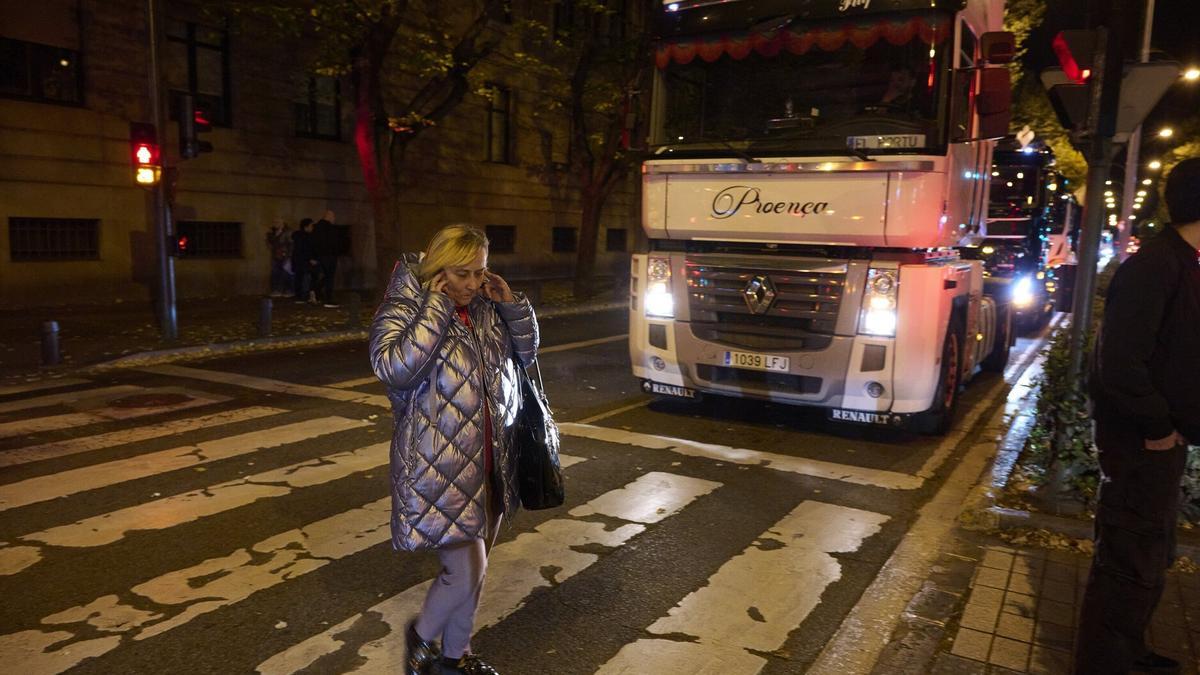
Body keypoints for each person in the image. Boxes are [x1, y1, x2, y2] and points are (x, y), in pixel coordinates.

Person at [369, 224, 538, 675]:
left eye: (480, 273)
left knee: (476, 572)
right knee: (464, 571)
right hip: (437, 465)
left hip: (489, 460)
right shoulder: (407, 304)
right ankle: (422, 639)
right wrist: (436, 308)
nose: (472, 284)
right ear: (438, 269)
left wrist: (511, 308)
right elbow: (392, 368)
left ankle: (456, 656)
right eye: (461, 274)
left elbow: (526, 357)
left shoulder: (484, 305)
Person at [1074, 158, 1200, 675]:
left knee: (1148, 553)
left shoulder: (1182, 260)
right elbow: (1119, 363)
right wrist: (1159, 428)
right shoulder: (1158, 264)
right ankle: (1107, 663)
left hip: (1161, 440)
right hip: (1142, 443)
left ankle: (1129, 651)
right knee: (1129, 559)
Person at [312, 209, 340, 308]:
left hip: (322, 256)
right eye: (332, 216)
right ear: (329, 217)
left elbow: (314, 243)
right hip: (329, 255)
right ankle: (328, 298)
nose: (334, 219)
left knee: (326, 276)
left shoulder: (317, 228)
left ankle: (316, 291)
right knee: (329, 277)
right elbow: (333, 242)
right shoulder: (330, 229)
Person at [291, 218, 320, 304]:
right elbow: (303, 250)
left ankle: (304, 296)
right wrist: (309, 259)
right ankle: (304, 296)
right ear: (306, 227)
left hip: (302, 262)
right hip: (304, 262)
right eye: (311, 226)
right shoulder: (303, 237)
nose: (312, 228)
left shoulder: (301, 236)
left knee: (302, 278)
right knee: (305, 278)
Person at [266, 217, 293, 297]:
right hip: (276, 255)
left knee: (286, 273)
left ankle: (288, 290)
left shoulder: (288, 232)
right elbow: (270, 243)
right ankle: (276, 290)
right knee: (275, 273)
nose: (275, 224)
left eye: (277, 222)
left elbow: (291, 244)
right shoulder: (272, 233)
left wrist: (289, 256)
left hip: (285, 256)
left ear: (282, 223)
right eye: (274, 222)